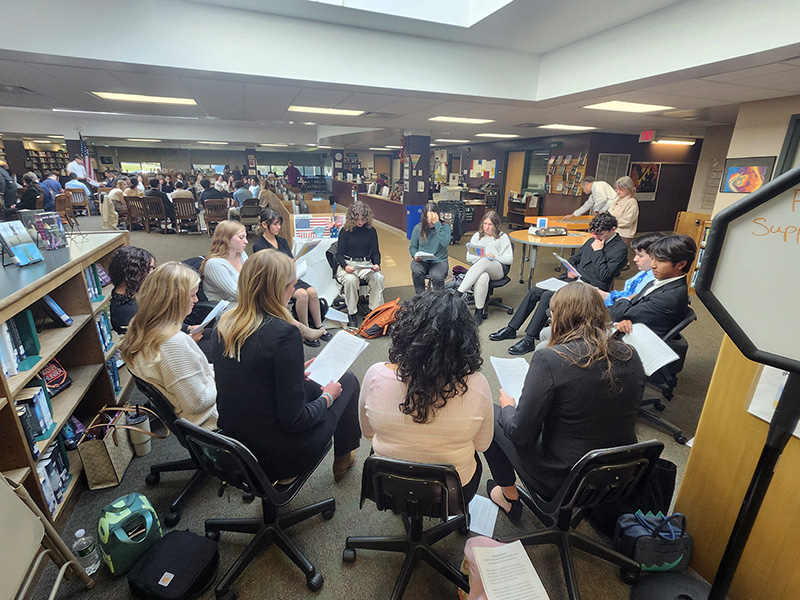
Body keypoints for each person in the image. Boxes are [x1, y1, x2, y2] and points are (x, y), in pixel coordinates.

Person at [483, 282, 645, 521]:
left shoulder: (550, 359)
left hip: (563, 475)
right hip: (620, 472)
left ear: (560, 317)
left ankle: (508, 496)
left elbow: (519, 434)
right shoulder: (630, 353)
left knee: (492, 414)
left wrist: (508, 407)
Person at [212, 250, 361, 482]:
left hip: (236, 445)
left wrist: (293, 372)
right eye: (291, 286)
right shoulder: (284, 334)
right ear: (279, 289)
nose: (293, 292)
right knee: (347, 381)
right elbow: (297, 420)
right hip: (280, 455)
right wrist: (328, 398)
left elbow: (247, 373)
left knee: (314, 381)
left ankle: (343, 457)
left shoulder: (225, 324)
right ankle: (343, 458)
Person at [359, 291, 493, 501]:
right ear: (466, 340)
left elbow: (368, 433)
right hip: (452, 493)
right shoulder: (477, 385)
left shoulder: (376, 375)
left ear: (406, 331)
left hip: (387, 484)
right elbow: (482, 445)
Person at [490, 212, 627, 355]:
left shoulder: (620, 249)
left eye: (601, 234)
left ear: (613, 230)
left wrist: (598, 251)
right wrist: (570, 268)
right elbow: (575, 258)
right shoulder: (594, 239)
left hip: (590, 288)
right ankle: (511, 328)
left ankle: (529, 338)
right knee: (535, 290)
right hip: (574, 279)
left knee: (548, 296)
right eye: (595, 233)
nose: (597, 237)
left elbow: (604, 276)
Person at [121, 262, 217, 430]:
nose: (196, 300)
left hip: (191, 423)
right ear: (175, 300)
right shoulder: (173, 343)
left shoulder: (141, 329)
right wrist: (224, 379)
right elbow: (197, 403)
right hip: (211, 421)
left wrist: (215, 373)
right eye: (193, 295)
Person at [253, 208, 331, 346]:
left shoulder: (281, 241)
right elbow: (266, 269)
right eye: (275, 224)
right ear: (265, 225)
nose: (278, 227)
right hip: (277, 281)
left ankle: (319, 326)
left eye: (279, 224)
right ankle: (305, 329)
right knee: (302, 294)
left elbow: (288, 259)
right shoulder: (259, 246)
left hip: (290, 277)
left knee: (312, 292)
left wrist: (291, 262)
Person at [609, 234, 696, 338]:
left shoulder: (668, 298)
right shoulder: (662, 280)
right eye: (653, 259)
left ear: (681, 264)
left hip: (632, 342)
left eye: (660, 260)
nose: (653, 265)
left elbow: (620, 314)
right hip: (629, 327)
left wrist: (623, 300)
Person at [456, 211, 513, 323]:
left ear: (496, 225)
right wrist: (481, 257)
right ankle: (479, 311)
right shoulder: (477, 236)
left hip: (498, 269)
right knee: (483, 276)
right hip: (481, 267)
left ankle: (459, 292)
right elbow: (469, 257)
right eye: (485, 223)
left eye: (490, 224)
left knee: (485, 261)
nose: (486, 227)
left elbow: (509, 259)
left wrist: (494, 257)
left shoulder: (503, 237)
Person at [335, 200, 385, 328]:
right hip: (348, 263)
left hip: (365, 264)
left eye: (363, 219)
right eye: (357, 219)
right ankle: (352, 313)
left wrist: (376, 264)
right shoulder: (345, 231)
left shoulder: (371, 231)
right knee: (351, 280)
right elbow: (339, 254)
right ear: (352, 218)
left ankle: (373, 311)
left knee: (378, 277)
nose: (360, 222)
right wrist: (345, 266)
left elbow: (375, 252)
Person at [600, 232, 663, 307]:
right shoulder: (644, 271)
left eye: (640, 256)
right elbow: (626, 294)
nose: (635, 259)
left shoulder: (654, 282)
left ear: (655, 257)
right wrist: (604, 295)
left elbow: (631, 304)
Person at [108, 246, 156, 334]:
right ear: (133, 273)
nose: (153, 273)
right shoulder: (127, 311)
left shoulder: (133, 292)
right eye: (149, 269)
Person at [200, 220, 248, 303]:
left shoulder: (241, 253)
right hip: (224, 307)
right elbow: (238, 294)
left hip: (242, 302)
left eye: (245, 237)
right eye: (241, 237)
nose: (246, 242)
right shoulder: (214, 264)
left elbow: (253, 276)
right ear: (227, 239)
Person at [408, 202, 451, 294]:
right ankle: (420, 297)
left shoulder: (444, 227)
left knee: (436, 275)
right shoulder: (418, 228)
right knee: (416, 271)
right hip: (422, 260)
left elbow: (445, 243)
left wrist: (437, 224)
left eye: (432, 219)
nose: (430, 221)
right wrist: (415, 255)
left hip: (439, 260)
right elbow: (413, 247)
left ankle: (439, 301)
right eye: (427, 218)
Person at [608, 176, 640, 246]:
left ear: (629, 189)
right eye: (617, 189)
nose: (618, 192)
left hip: (623, 235)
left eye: (621, 190)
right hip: (612, 232)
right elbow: (609, 213)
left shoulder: (632, 202)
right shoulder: (617, 199)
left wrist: (611, 222)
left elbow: (627, 221)